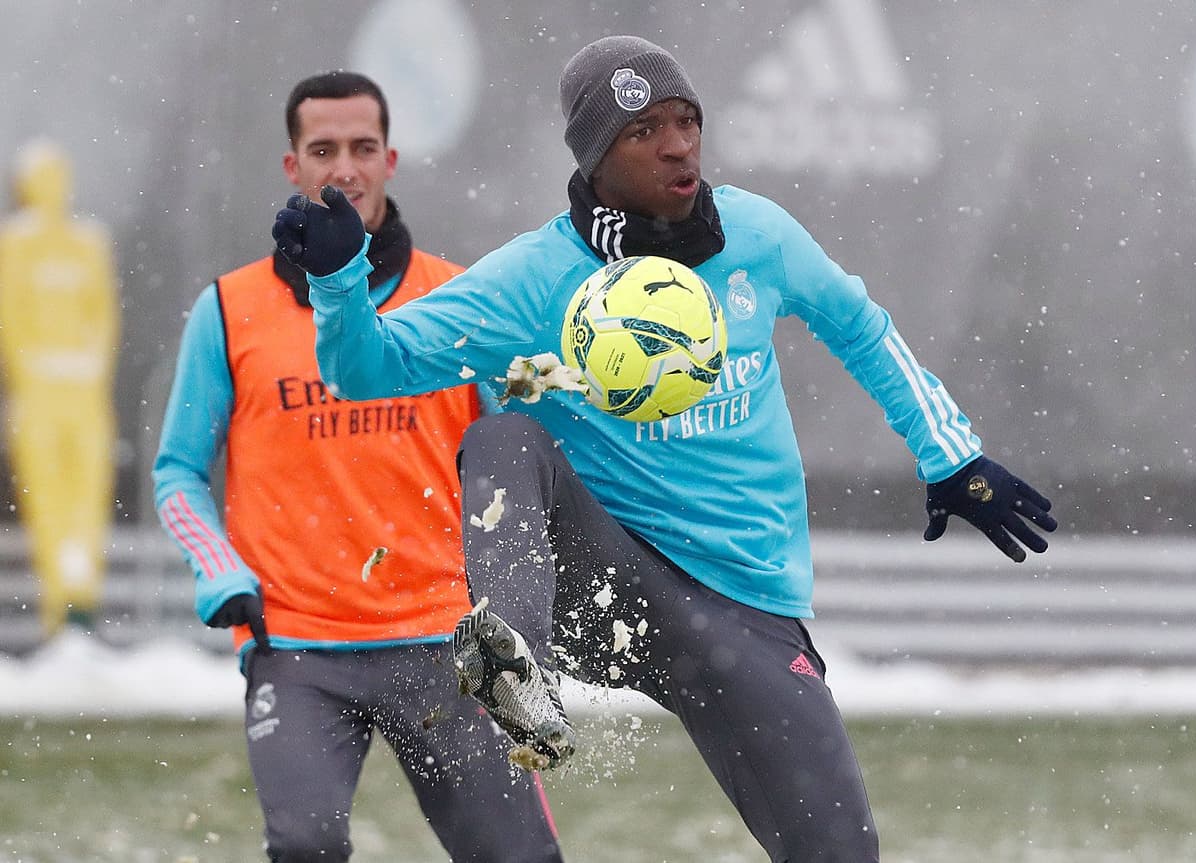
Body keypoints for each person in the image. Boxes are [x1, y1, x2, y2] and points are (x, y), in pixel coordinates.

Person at [274, 38, 1057, 863]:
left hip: (746, 609)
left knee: (841, 851)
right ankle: (518, 671)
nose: (679, 144)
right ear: (595, 155)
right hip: (608, 585)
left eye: (686, 121)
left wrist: (952, 457)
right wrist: (338, 283)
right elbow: (370, 369)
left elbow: (860, 327)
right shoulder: (537, 277)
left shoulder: (757, 234)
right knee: (504, 437)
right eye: (645, 130)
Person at [154, 71, 562, 863]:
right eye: (324, 149)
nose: (345, 166)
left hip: (447, 641)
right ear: (293, 167)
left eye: (363, 148)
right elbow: (176, 472)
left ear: (391, 160)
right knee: (305, 846)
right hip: (300, 648)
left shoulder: (453, 296)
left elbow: (525, 431)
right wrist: (219, 570)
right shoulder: (228, 308)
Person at [0, 138, 119, 636]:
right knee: (49, 497)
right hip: (44, 392)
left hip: (77, 392)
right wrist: (34, 371)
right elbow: (11, 318)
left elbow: (103, 315)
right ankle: (64, 603)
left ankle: (78, 599)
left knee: (83, 497)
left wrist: (87, 367)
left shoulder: (88, 243)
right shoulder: (15, 244)